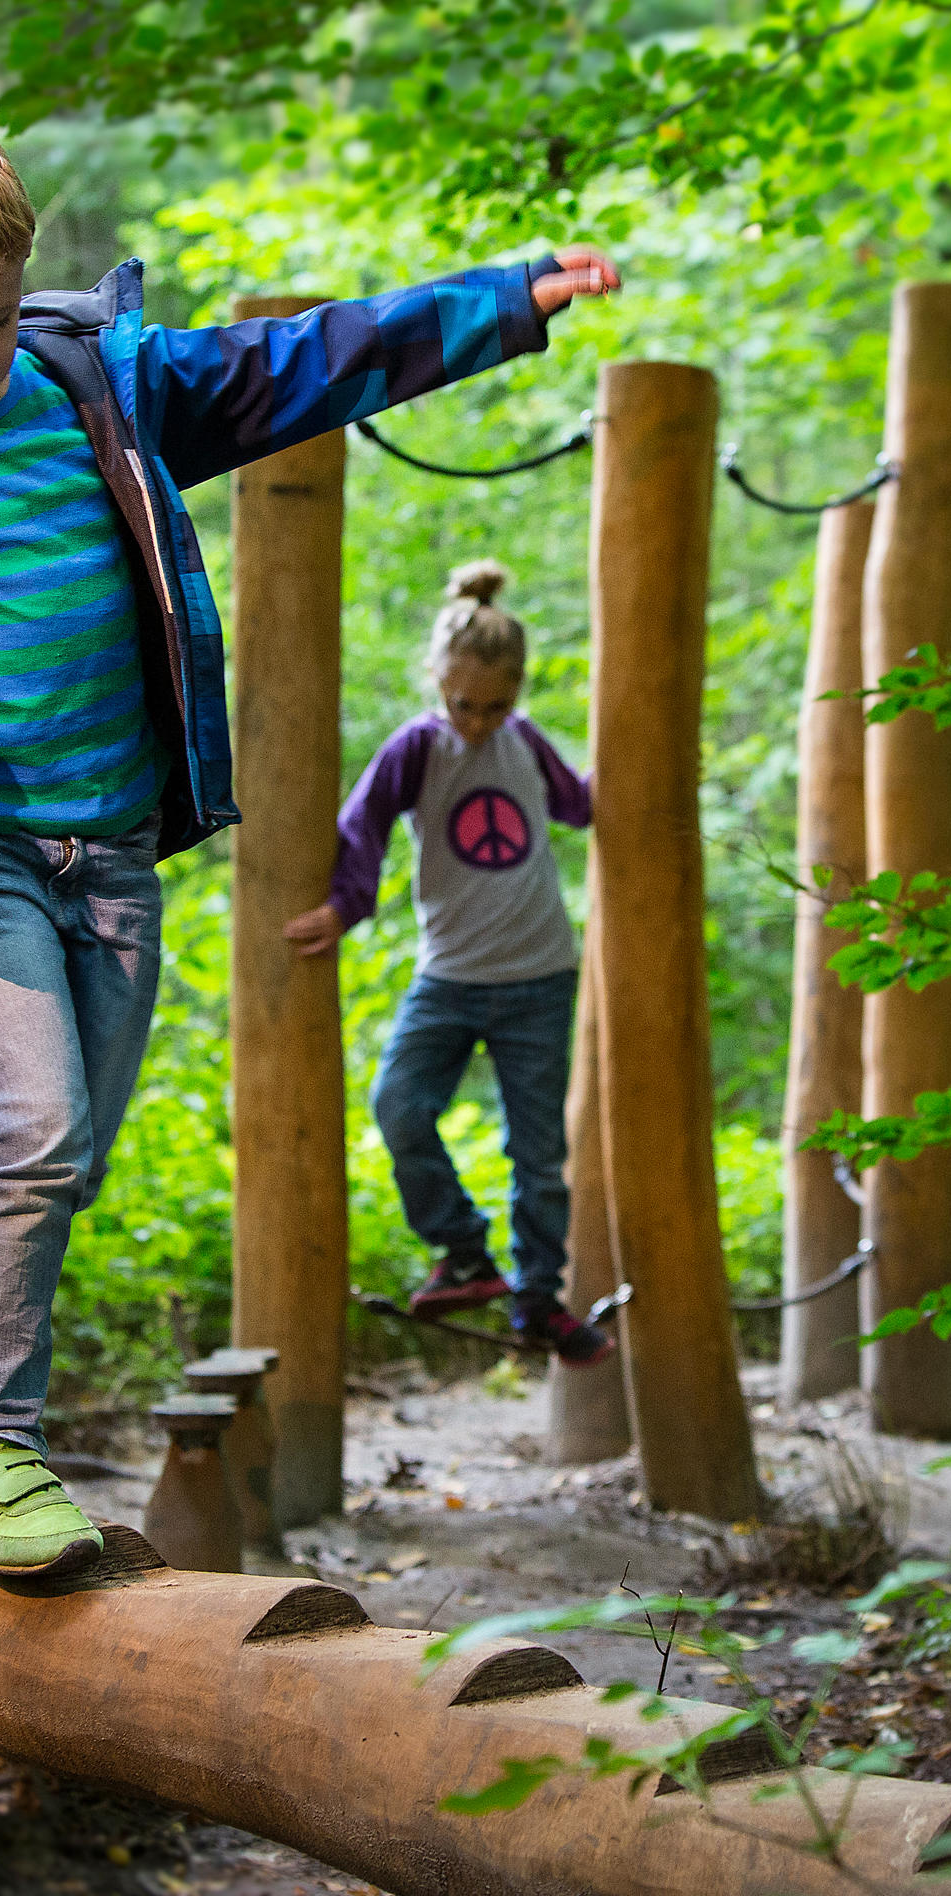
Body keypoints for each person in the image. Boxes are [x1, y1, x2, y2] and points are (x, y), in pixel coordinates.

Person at [0, 107, 619, 1578]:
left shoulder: (99, 390)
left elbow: (304, 364)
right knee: (33, 1132)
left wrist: (502, 301)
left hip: (115, 849)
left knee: (61, 1154)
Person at [283, 564, 613, 1367]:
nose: (478, 721)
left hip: (540, 977)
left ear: (517, 694)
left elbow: (577, 804)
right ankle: (463, 1249)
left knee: (538, 1156)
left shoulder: (525, 742)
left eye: (496, 706)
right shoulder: (419, 748)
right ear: (439, 683)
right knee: (399, 1103)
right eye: (465, 703)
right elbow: (360, 828)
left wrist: (640, 763)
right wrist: (343, 909)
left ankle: (538, 1302)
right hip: (451, 977)